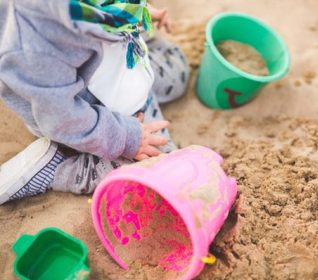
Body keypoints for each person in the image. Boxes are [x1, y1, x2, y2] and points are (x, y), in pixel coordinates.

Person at [0, 0, 189, 204]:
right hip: (89, 115)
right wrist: (127, 137)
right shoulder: (32, 44)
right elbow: (63, 119)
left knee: (177, 72)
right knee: (161, 166)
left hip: (118, 66)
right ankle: (60, 168)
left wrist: (137, 13)